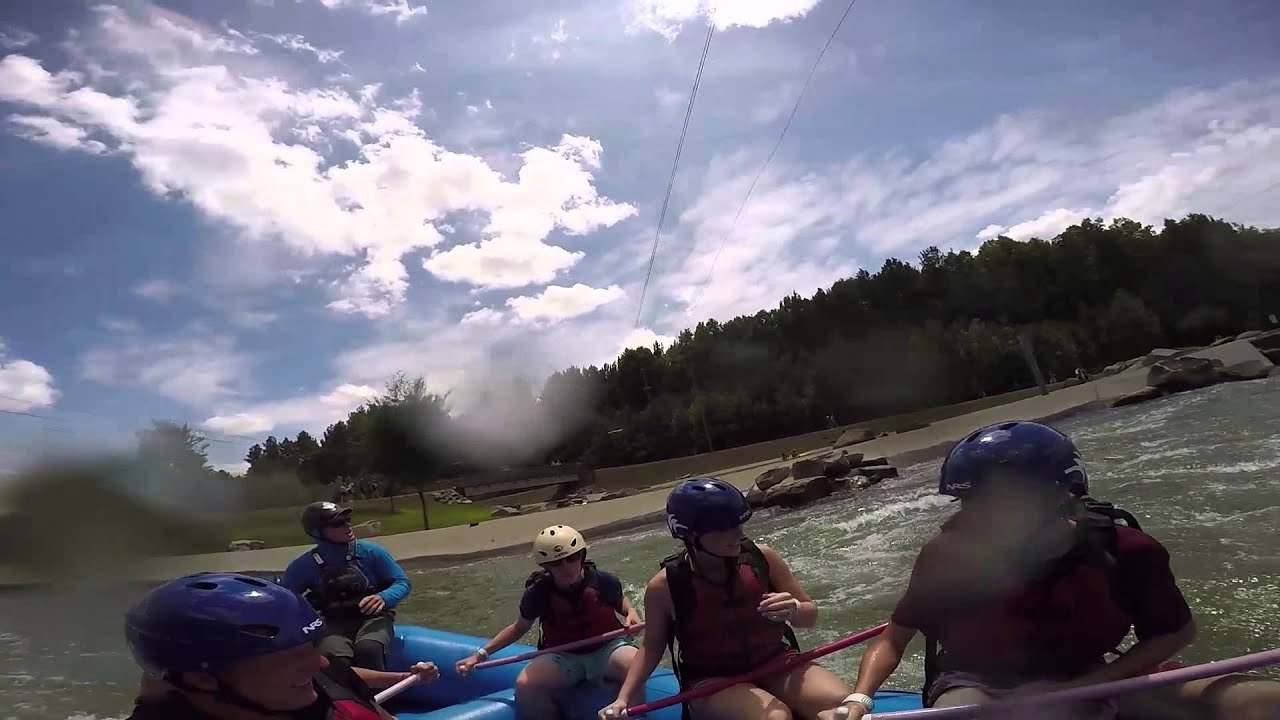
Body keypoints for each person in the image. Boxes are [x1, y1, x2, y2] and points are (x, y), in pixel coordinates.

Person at [823, 421, 1196, 720]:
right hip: (975, 682)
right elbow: (893, 639)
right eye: (971, 501)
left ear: (1061, 492)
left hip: (1088, 675)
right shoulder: (945, 556)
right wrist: (860, 698)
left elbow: (1174, 631)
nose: (980, 517)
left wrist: (1085, 685)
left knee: (1248, 701)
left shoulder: (1125, 549)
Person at [601, 478, 854, 720]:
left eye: (738, 524)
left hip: (776, 662)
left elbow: (809, 616)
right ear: (691, 534)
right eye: (724, 528)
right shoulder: (664, 586)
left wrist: (795, 609)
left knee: (843, 704)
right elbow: (651, 647)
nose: (737, 534)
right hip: (713, 682)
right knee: (775, 716)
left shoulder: (762, 558)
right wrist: (623, 698)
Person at [125, 571, 438, 720]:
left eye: (308, 646)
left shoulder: (315, 681)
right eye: (288, 655)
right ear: (201, 678)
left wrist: (400, 679)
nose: (321, 663)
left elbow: (340, 675)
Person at [455, 524, 642, 718]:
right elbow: (519, 627)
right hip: (563, 656)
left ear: (582, 556)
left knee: (635, 663)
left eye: (572, 558)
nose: (566, 567)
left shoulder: (604, 581)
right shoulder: (538, 593)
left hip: (608, 649)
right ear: (546, 567)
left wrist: (631, 612)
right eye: (556, 563)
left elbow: (620, 601)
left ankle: (633, 716)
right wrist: (479, 655)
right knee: (525, 684)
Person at [281, 501, 411, 672]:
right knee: (336, 658)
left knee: (369, 650)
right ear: (316, 532)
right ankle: (347, 698)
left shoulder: (371, 552)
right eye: (337, 523)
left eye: (347, 519)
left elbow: (402, 582)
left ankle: (379, 697)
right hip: (333, 623)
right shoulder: (304, 566)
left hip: (373, 619)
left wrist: (383, 597)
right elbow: (285, 600)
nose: (347, 525)